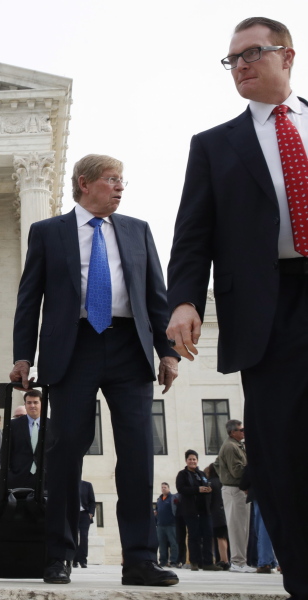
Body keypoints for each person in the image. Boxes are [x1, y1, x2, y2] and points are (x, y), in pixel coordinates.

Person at [165, 16, 308, 599]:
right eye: (233, 59)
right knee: (279, 445)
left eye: (253, 53)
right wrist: (183, 300)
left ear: (288, 56)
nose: (241, 65)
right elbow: (192, 234)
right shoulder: (216, 146)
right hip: (271, 305)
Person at [10, 154, 180, 586]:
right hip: (74, 347)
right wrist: (22, 355)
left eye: (122, 180)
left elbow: (156, 297)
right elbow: (30, 298)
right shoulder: (48, 232)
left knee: (138, 454)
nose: (120, 187)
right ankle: (59, 555)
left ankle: (140, 559)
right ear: (84, 184)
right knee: (66, 453)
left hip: (129, 347)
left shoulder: (137, 231)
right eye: (111, 180)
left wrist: (168, 352)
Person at [215, 419, 253, 572]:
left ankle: (241, 561)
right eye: (241, 429)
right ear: (232, 432)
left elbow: (217, 464)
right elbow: (237, 471)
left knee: (242, 527)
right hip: (235, 489)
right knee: (237, 527)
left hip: (236, 489)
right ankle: (238, 562)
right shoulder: (231, 447)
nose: (243, 431)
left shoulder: (236, 445)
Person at [176, 450, 221, 571]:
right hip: (191, 510)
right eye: (190, 459)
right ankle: (194, 561)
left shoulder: (201, 474)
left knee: (208, 535)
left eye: (194, 459)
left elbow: (206, 485)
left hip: (204, 510)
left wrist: (208, 490)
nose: (192, 461)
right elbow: (181, 489)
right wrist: (198, 489)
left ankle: (208, 562)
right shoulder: (182, 474)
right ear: (186, 461)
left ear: (197, 460)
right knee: (194, 536)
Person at [3, 390, 52, 490]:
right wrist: (9, 474)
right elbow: (6, 451)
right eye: (29, 402)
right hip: (18, 478)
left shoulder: (52, 425)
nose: (32, 405)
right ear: (25, 404)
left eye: (35, 402)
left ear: (42, 404)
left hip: (45, 479)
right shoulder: (13, 425)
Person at [203, 464, 230, 569]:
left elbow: (208, 500)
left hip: (216, 514)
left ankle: (224, 560)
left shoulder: (211, 483)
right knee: (223, 537)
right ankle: (224, 559)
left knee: (220, 537)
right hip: (224, 512)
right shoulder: (223, 482)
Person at [155, 482, 179, 568]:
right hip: (160, 525)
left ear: (169, 488)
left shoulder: (173, 498)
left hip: (171, 525)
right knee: (162, 544)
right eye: (162, 487)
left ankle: (173, 561)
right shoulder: (159, 499)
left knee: (173, 543)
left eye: (165, 487)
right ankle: (162, 561)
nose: (163, 489)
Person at [75, 480, 96, 568]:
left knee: (84, 537)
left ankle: (83, 560)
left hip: (84, 514)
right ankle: (74, 560)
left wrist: (91, 513)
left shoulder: (87, 485)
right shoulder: (69, 484)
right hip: (73, 515)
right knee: (74, 537)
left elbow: (92, 501)